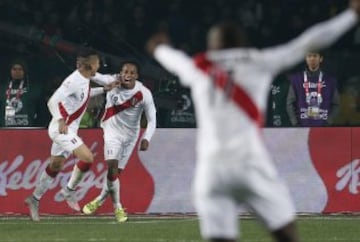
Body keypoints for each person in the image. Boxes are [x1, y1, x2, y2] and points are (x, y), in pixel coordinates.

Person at [146, 1, 360, 241]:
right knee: (287, 233)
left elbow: (170, 57)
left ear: (212, 46)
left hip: (212, 170)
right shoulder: (260, 61)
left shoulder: (199, 67)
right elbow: (308, 42)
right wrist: (351, 16)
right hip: (251, 164)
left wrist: (158, 48)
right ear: (243, 44)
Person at [25, 48, 119, 221]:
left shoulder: (86, 77)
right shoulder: (73, 81)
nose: (99, 65)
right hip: (62, 128)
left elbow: (86, 94)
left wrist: (105, 90)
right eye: (97, 62)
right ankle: (68, 191)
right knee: (88, 157)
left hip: (69, 129)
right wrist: (60, 119)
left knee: (56, 165)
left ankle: (34, 199)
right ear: (90, 65)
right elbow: (53, 100)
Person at [81, 60, 156, 222]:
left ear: (136, 76)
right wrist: (86, 67)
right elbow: (96, 76)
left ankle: (99, 200)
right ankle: (118, 208)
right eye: (125, 72)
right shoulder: (112, 81)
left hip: (130, 137)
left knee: (114, 175)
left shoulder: (144, 93)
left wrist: (146, 138)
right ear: (121, 73)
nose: (127, 75)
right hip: (111, 132)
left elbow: (152, 120)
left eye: (131, 73)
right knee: (112, 167)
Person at [286, 51, 340, 126]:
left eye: (315, 56)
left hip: (323, 126)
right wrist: (295, 123)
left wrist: (328, 122)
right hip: (301, 126)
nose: (312, 59)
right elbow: (290, 103)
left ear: (320, 59)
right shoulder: (296, 79)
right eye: (309, 56)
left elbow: (336, 104)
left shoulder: (330, 80)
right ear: (306, 59)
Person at [0, 59, 44, 127]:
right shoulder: (2, 88)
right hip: (4, 129)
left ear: (25, 71)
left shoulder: (34, 88)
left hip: (28, 129)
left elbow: (41, 111)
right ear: (10, 71)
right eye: (14, 69)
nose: (17, 72)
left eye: (20, 69)